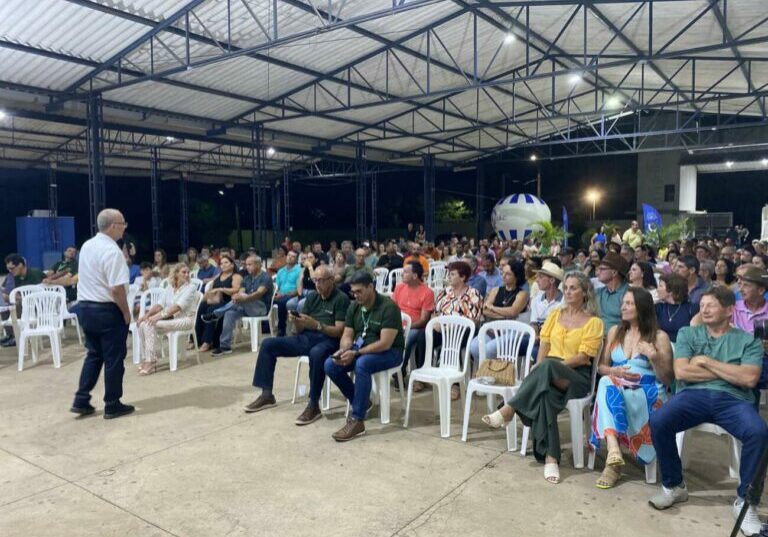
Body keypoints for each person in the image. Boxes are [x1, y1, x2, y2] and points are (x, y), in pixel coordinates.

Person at [648, 287, 767, 536]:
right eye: (701, 305)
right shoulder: (688, 333)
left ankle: (746, 503)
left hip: (734, 400)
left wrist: (705, 361)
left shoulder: (748, 340)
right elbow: (682, 372)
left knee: (758, 432)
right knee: (659, 420)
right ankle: (674, 484)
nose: (704, 309)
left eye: (711, 305)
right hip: (693, 396)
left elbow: (749, 378)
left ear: (729, 310)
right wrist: (730, 372)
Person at [482, 272, 604, 484]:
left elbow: (584, 357)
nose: (568, 292)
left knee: (547, 366)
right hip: (549, 372)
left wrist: (548, 367)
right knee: (545, 396)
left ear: (585, 293)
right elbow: (544, 344)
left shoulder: (594, 322)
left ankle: (509, 409)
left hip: (576, 374)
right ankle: (551, 458)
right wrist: (540, 366)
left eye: (573, 288)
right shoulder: (555, 315)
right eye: (566, 287)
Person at [589, 287, 674, 489]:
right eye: (623, 303)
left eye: (629, 303)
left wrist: (654, 357)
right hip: (618, 387)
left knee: (607, 387)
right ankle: (614, 452)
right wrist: (615, 371)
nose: (623, 307)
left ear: (642, 307)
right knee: (607, 381)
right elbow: (601, 367)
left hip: (648, 392)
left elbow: (667, 379)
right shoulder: (615, 332)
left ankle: (613, 460)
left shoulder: (658, 337)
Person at [247, 265, 350, 423]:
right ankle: (267, 394)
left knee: (316, 353)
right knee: (268, 344)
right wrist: (296, 321)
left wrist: (317, 325)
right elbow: (300, 329)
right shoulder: (313, 297)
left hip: (329, 340)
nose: (317, 284)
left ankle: (313, 404)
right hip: (307, 337)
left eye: (321, 280)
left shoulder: (341, 299)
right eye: (315, 280)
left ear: (331, 280)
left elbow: (339, 331)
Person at [324, 272, 405, 441]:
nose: (356, 295)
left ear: (371, 287)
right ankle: (362, 401)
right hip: (361, 349)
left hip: (390, 352)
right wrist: (344, 349)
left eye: (359, 291)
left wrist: (356, 353)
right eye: (353, 292)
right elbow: (347, 334)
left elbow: (385, 343)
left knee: (362, 364)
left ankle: (357, 419)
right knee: (331, 364)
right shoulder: (354, 306)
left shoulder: (388, 307)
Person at [70, 209, 134, 420]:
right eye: (123, 223)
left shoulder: (87, 246)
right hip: (107, 311)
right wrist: (126, 312)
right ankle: (112, 403)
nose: (124, 227)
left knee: (94, 354)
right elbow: (116, 289)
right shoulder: (112, 252)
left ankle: (81, 399)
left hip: (86, 308)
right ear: (113, 226)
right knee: (114, 358)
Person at [203, 255, 273, 357]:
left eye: (250, 264)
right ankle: (224, 346)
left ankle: (216, 314)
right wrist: (238, 296)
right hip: (245, 306)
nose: (247, 267)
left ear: (258, 265)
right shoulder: (247, 278)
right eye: (246, 265)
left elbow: (259, 293)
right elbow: (241, 291)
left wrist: (243, 298)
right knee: (229, 313)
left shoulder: (265, 277)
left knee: (241, 298)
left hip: (261, 308)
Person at [136, 264, 199, 375]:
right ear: (176, 274)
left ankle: (151, 362)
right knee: (142, 324)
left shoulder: (191, 288)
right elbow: (159, 305)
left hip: (186, 320)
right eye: (184, 272)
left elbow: (177, 307)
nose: (187, 275)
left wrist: (156, 317)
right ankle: (148, 358)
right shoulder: (170, 287)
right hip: (172, 320)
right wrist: (146, 315)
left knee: (149, 324)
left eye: (188, 272)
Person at [434, 261, 484, 400]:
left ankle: (455, 383)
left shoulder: (473, 294)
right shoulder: (445, 292)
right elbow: (436, 312)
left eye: (452, 274)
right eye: (448, 274)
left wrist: (454, 326)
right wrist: (436, 322)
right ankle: (428, 372)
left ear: (462, 277)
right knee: (424, 336)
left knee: (453, 340)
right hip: (444, 328)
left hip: (465, 330)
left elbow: (474, 319)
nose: (448, 277)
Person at [469, 261, 529, 362]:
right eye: (502, 273)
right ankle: (485, 369)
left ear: (517, 276)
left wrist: (493, 308)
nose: (503, 276)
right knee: (474, 347)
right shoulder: (496, 290)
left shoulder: (522, 294)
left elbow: (513, 311)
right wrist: (504, 315)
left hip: (511, 331)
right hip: (493, 329)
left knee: (489, 349)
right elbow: (485, 310)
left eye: (508, 274)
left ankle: (493, 370)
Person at [391, 261, 435, 392]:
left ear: (415, 276)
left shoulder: (427, 292)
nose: (402, 274)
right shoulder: (399, 288)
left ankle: (400, 370)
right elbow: (392, 309)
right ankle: (393, 368)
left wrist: (406, 328)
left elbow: (424, 320)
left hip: (416, 327)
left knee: (408, 337)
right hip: (398, 324)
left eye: (405, 272)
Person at [195, 255, 242, 352]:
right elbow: (211, 286)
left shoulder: (235, 276)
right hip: (216, 300)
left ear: (232, 265)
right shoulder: (219, 275)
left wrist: (222, 289)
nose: (223, 265)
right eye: (221, 263)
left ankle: (207, 341)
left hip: (228, 302)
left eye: (226, 262)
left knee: (211, 310)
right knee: (202, 307)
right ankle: (197, 339)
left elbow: (236, 289)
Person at [528, 261, 564, 357]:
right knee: (510, 344)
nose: (537, 280)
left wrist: (541, 338)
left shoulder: (564, 301)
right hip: (536, 338)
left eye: (540, 277)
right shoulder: (536, 299)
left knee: (534, 352)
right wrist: (535, 335)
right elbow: (534, 323)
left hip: (553, 340)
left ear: (552, 280)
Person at [655, 273, 698, 343]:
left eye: (660, 286)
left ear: (671, 291)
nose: (657, 289)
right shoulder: (658, 307)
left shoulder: (691, 309)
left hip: (683, 346)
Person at [595, 252, 630, 335]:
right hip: (596, 337)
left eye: (602, 269)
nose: (598, 272)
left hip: (619, 337)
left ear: (614, 272)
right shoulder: (598, 292)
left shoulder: (629, 293)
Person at [274, 251, 302, 337]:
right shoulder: (281, 271)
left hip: (292, 295)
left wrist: (283, 295)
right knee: (267, 299)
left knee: (282, 302)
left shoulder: (299, 271)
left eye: (293, 256)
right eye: (289, 255)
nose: (290, 257)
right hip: (280, 295)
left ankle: (281, 329)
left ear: (296, 260)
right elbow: (276, 286)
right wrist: (276, 294)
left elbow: (298, 290)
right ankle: (265, 325)